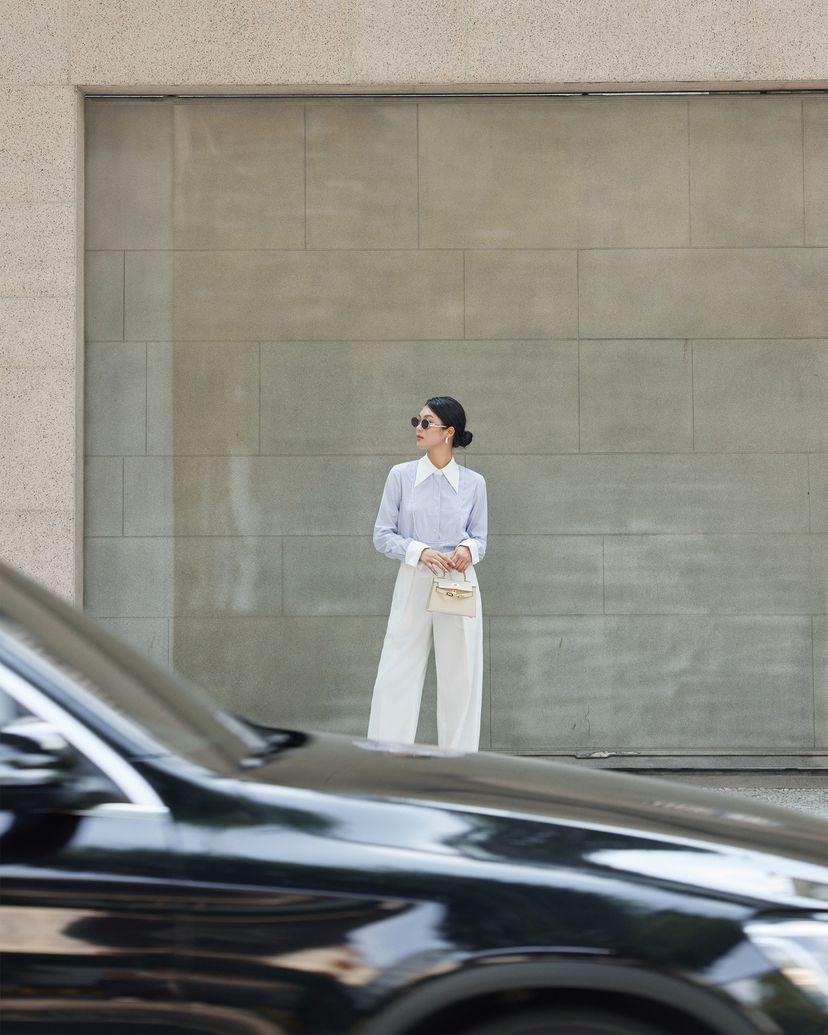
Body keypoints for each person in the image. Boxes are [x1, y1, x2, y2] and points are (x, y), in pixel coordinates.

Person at [367, 396, 487, 751]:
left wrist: (468, 549)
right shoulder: (401, 476)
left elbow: (480, 538)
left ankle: (459, 762)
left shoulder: (474, 483)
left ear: (448, 432)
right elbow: (382, 535)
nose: (418, 429)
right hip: (414, 579)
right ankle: (387, 759)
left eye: (426, 423)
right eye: (417, 421)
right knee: (396, 671)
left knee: (460, 676)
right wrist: (419, 552)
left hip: (458, 583)